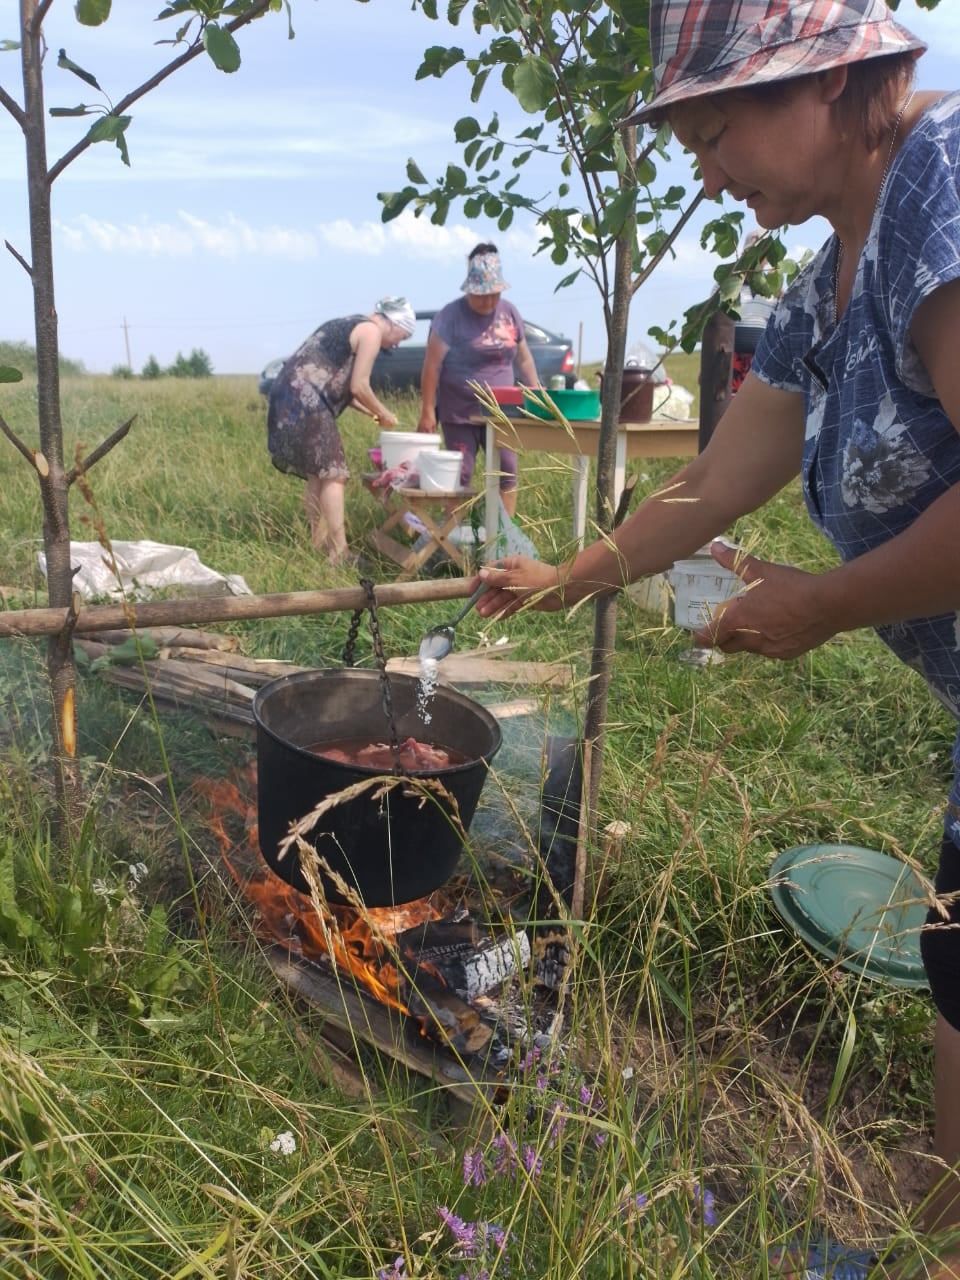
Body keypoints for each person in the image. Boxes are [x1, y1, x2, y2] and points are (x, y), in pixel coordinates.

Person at [475, 1, 960, 1275]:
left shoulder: (944, 188)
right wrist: (564, 578)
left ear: (835, 86)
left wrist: (828, 602)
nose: (703, 164)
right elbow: (712, 483)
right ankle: (934, 1228)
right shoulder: (825, 281)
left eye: (714, 124)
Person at [267, 297, 416, 565]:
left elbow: (347, 391)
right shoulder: (370, 331)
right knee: (335, 475)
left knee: (318, 474)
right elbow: (360, 386)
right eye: (401, 336)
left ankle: (318, 543)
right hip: (308, 400)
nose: (396, 344)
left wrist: (373, 413)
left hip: (287, 397)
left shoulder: (349, 324)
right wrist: (384, 412)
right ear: (392, 323)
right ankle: (339, 552)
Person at [417, 243, 539, 518]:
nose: (487, 302)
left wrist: (536, 392)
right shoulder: (450, 317)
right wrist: (427, 410)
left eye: (493, 295)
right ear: (469, 290)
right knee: (461, 475)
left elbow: (524, 359)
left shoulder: (509, 313)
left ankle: (503, 537)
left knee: (507, 471)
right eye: (480, 295)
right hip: (460, 413)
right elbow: (432, 365)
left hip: (502, 413)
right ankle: (454, 540)